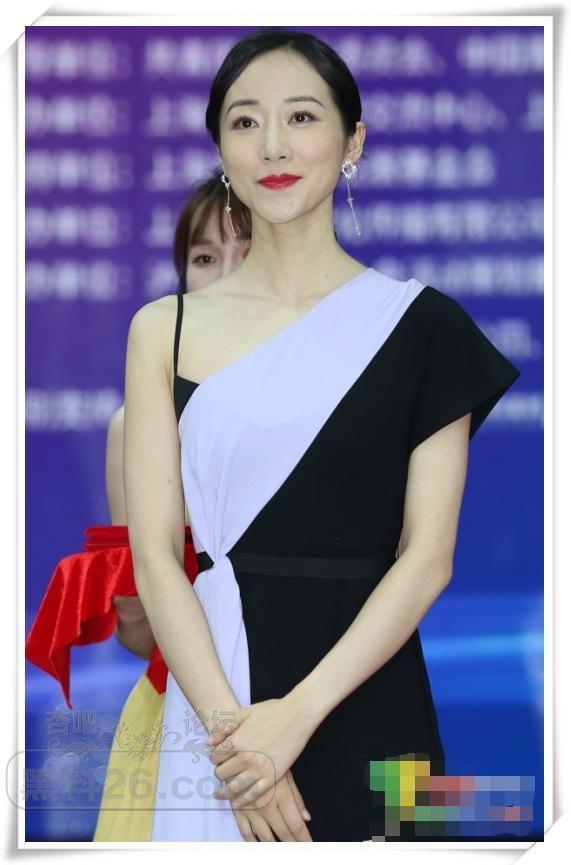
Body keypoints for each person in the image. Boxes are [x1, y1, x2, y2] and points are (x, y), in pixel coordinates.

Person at [123, 28, 521, 843]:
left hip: (372, 697)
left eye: (301, 117)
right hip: (217, 706)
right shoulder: (162, 329)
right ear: (220, 149)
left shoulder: (422, 326)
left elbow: (426, 558)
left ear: (353, 142)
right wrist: (237, 739)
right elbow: (156, 555)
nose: (273, 144)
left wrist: (295, 716)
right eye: (244, 121)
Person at [92, 170, 252, 842]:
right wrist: (143, 589)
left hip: (315, 708)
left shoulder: (345, 409)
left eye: (248, 252)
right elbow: (138, 638)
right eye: (205, 258)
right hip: (183, 722)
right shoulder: (136, 427)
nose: (225, 279)